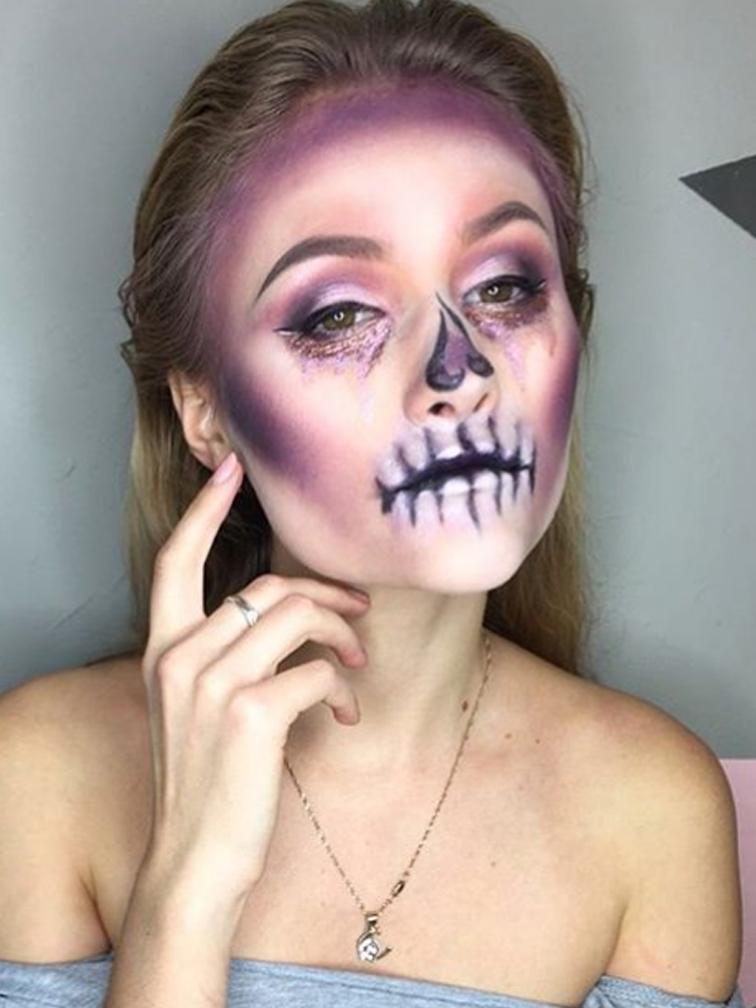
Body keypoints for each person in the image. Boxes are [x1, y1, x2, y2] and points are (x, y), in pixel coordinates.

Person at [0, 0, 745, 1005]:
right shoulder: (38, 776)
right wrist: (188, 884)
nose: (458, 370)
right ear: (207, 413)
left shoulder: (653, 811)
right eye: (340, 312)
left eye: (505, 288)